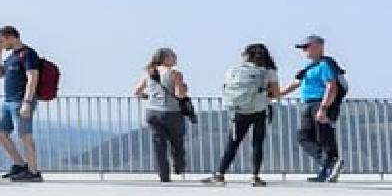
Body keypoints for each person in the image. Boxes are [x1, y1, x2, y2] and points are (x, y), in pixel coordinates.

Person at [203, 43, 281, 187]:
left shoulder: (235, 71)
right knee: (257, 143)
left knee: (233, 143)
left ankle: (220, 174)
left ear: (247, 55)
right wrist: (266, 93)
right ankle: (255, 177)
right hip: (260, 110)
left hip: (239, 111)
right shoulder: (269, 71)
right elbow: (276, 94)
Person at [279, 35, 348, 183]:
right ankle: (329, 166)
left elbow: (332, 86)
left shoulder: (325, 65)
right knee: (305, 136)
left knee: (323, 137)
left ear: (318, 46)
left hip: (319, 103)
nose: (304, 51)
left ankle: (329, 166)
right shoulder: (310, 67)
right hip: (308, 104)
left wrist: (323, 108)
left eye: (306, 47)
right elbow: (296, 83)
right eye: (302, 48)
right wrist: (278, 94)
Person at [0, 26, 44, 182]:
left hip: (21, 101)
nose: (1, 44)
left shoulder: (28, 54)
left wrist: (27, 102)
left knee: (25, 135)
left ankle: (33, 172)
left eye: (2, 41)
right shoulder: (11, 57)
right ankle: (21, 165)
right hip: (7, 101)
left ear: (11, 37)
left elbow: (32, 77)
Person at [132, 47, 189, 182]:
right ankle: (179, 167)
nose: (176, 57)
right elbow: (179, 94)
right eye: (173, 55)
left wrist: (149, 97)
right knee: (177, 142)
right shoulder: (175, 74)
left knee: (159, 145)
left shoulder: (149, 73)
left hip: (152, 112)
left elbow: (137, 92)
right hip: (171, 112)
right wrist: (185, 89)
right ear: (165, 58)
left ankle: (164, 175)